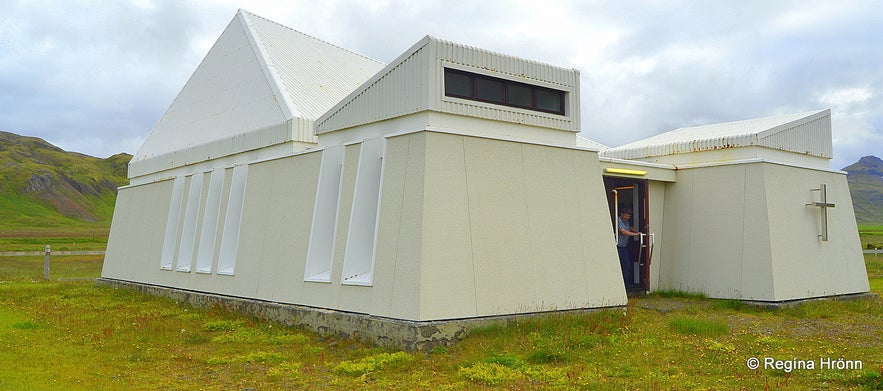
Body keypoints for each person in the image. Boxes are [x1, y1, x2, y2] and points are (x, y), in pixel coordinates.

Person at [617, 207, 641, 288]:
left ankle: (627, 285)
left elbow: (629, 228)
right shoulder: (618, 220)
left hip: (624, 247)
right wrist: (635, 234)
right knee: (620, 266)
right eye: (626, 216)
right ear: (622, 214)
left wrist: (635, 231)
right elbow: (623, 231)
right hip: (618, 247)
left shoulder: (627, 222)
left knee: (627, 265)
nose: (627, 218)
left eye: (628, 216)